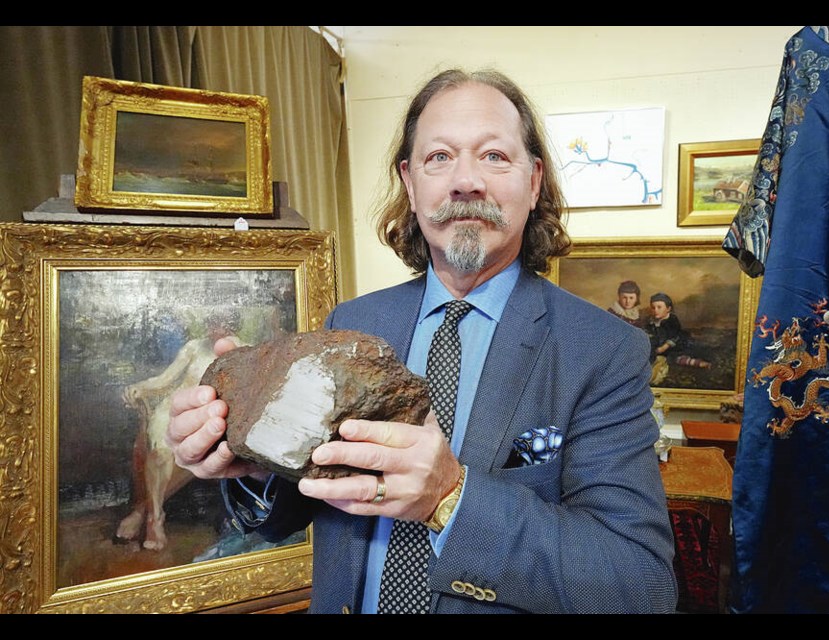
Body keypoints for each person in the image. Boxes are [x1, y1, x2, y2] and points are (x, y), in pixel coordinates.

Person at [165, 68, 677, 614]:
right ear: (410, 184)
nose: (465, 181)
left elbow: (638, 584)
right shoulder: (354, 320)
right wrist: (257, 466)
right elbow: (302, 502)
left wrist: (450, 497)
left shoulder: (601, 349)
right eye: (439, 157)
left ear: (533, 182)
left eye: (494, 156)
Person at [116, 313, 240, 551]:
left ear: (229, 322)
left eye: (218, 321)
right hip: (175, 409)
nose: (212, 326)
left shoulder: (240, 348)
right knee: (160, 453)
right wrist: (140, 387)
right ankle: (155, 519)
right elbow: (165, 380)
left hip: (212, 415)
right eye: (210, 321)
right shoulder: (193, 347)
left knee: (194, 452)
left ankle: (143, 513)